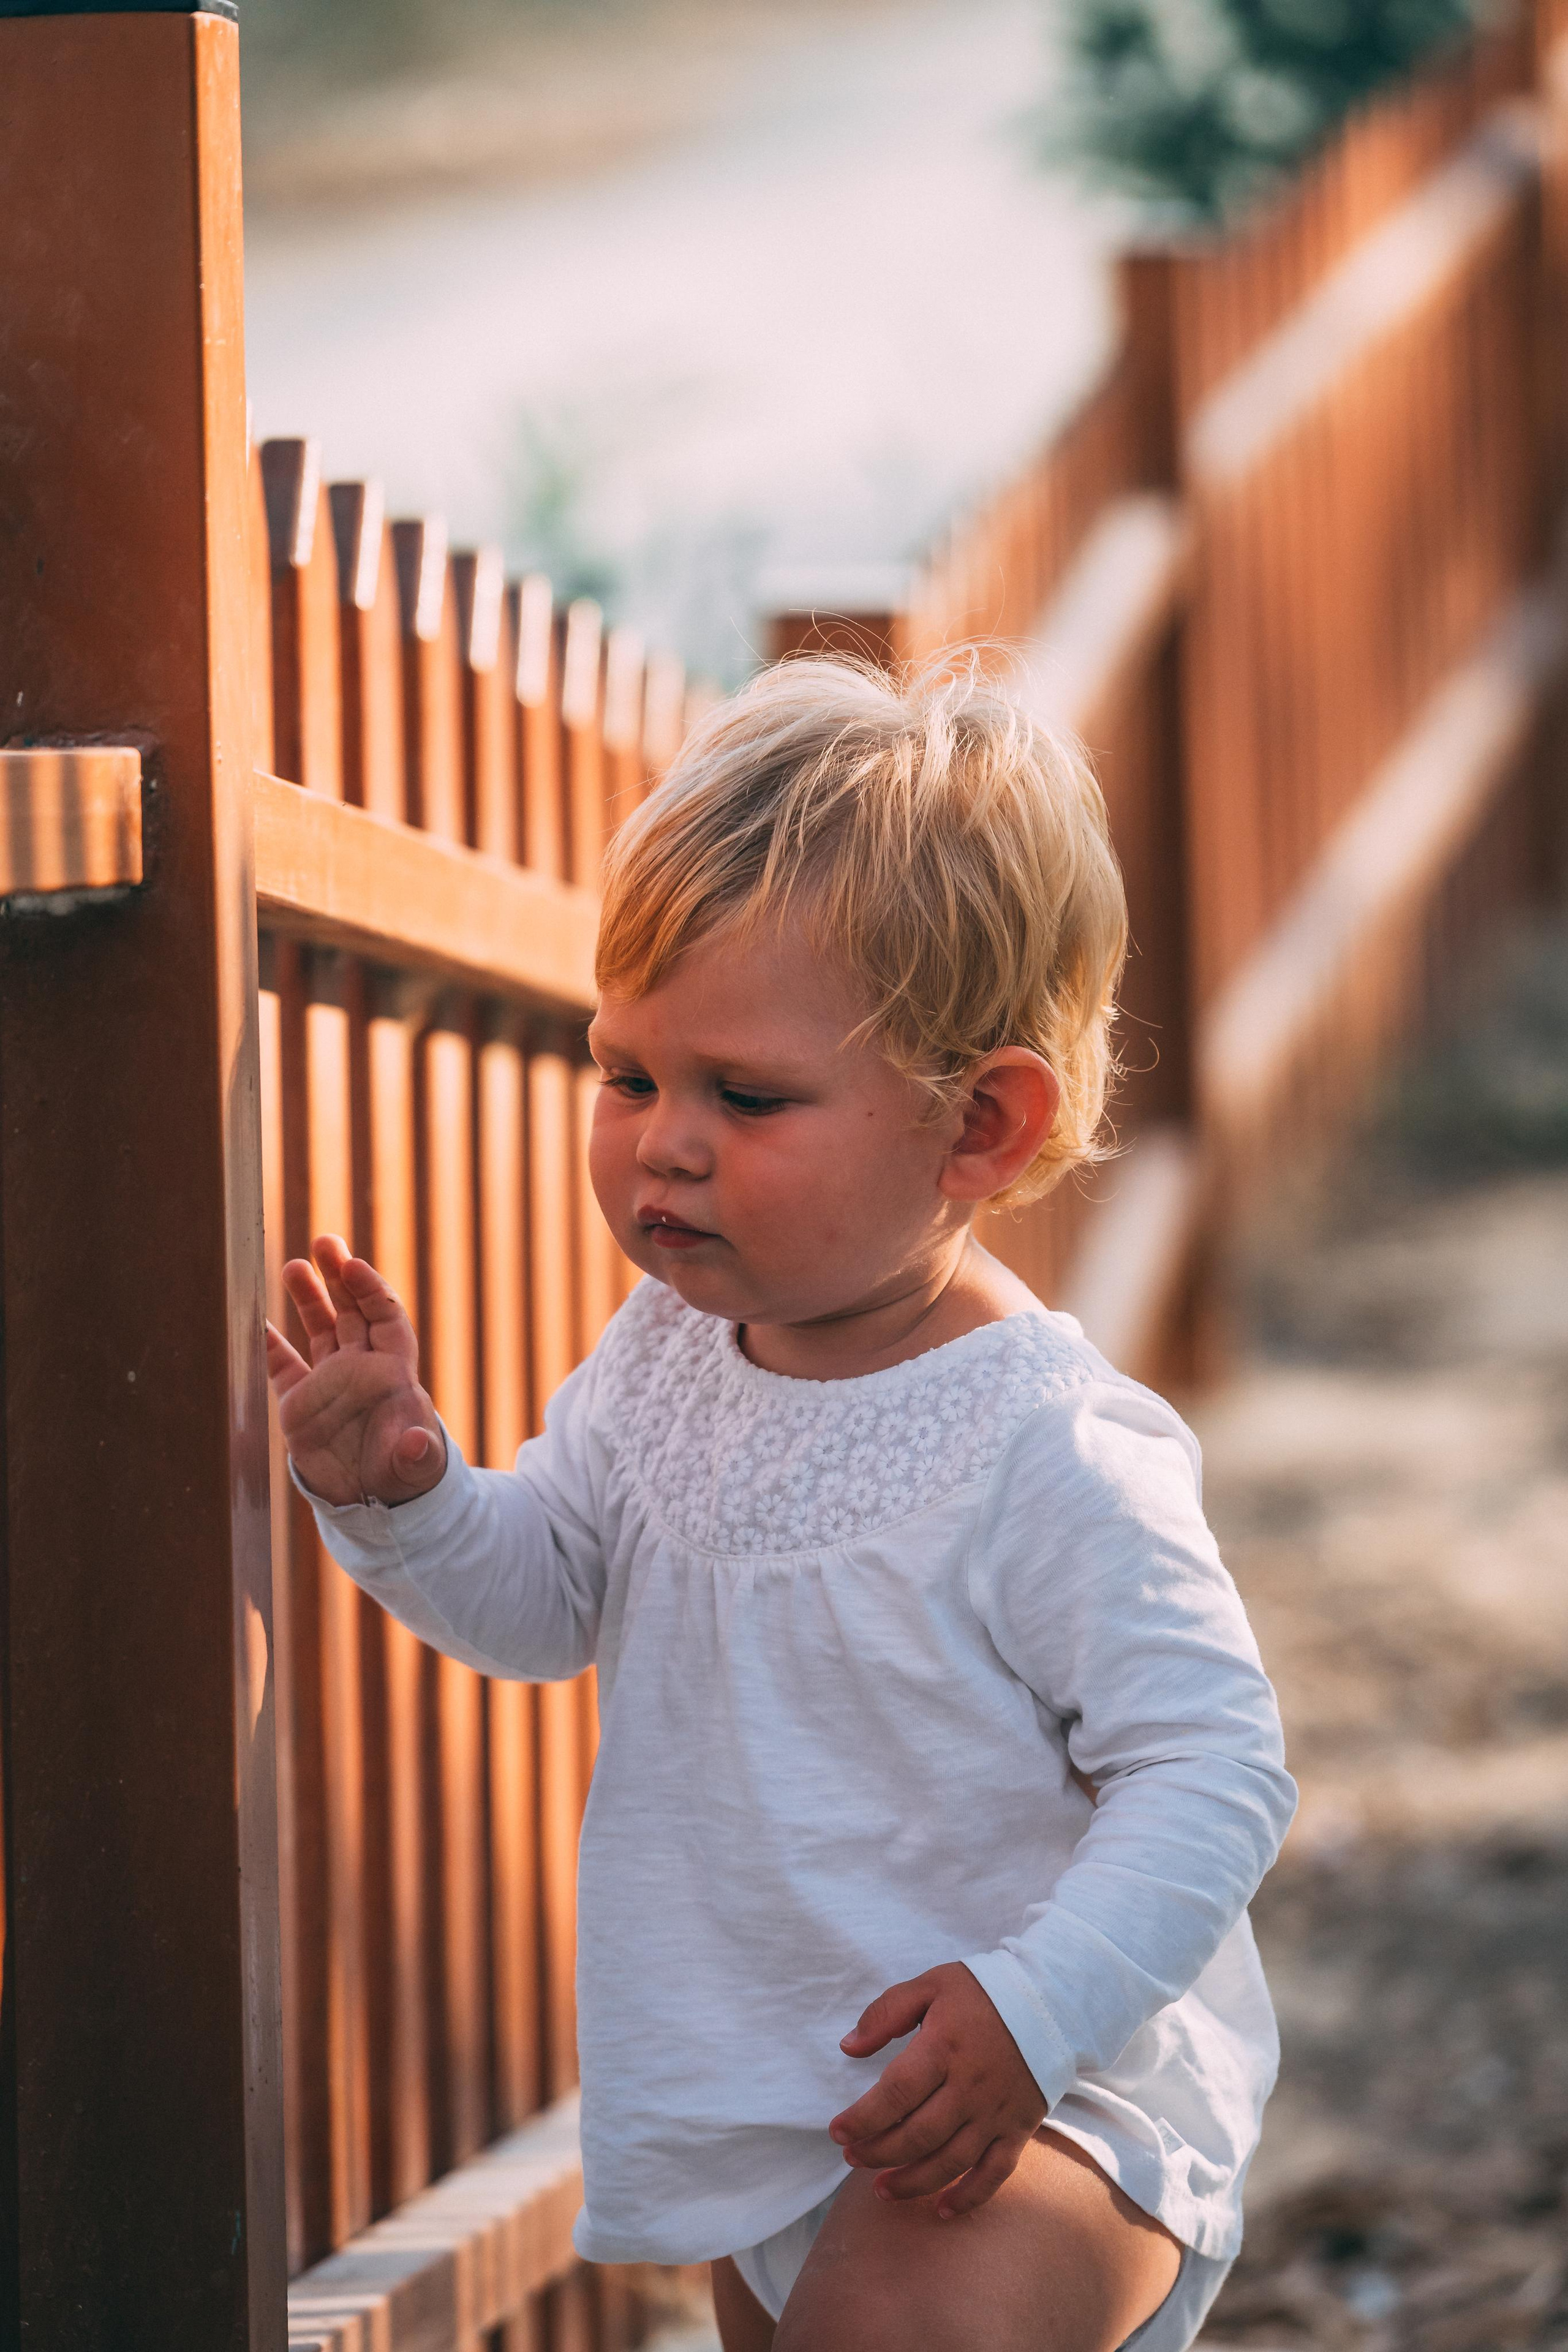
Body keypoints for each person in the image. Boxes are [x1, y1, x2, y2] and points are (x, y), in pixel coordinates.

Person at [267, 656, 1296, 2352]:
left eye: (744, 1097)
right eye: (627, 1076)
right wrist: (409, 1492)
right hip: (778, 2101)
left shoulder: (1046, 1445)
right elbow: (540, 1605)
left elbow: (1216, 1768)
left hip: (1048, 2098)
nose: (663, 1145)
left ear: (980, 1124)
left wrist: (1032, 2014)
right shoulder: (669, 1356)